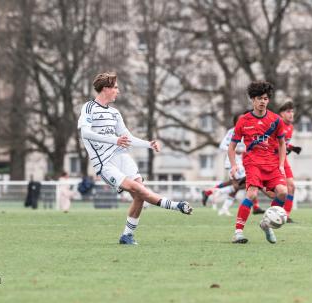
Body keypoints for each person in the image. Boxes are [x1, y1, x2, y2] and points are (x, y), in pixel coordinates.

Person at [77, 72, 193, 245]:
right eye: (115, 87)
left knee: (139, 194)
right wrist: (114, 140)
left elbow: (127, 137)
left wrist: (149, 144)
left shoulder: (115, 113)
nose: (118, 91)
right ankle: (176, 205)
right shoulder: (89, 107)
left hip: (121, 156)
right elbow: (85, 133)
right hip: (105, 163)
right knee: (138, 189)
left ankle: (127, 236)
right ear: (105, 89)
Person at [228, 81, 291, 244]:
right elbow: (232, 146)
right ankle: (238, 232)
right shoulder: (243, 121)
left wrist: (281, 165)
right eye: (259, 98)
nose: (263, 101)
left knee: (283, 192)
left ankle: (266, 223)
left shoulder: (276, 120)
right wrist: (234, 164)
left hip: (271, 163)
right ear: (253, 100)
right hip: (253, 162)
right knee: (252, 194)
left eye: (265, 98)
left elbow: (282, 143)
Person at [202, 113, 265, 216]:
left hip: (244, 162)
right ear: (236, 122)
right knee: (249, 182)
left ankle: (219, 202)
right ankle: (216, 192)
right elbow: (222, 146)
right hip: (234, 162)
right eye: (241, 119)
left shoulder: (249, 131)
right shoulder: (232, 132)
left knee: (237, 185)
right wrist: (235, 151)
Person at [274, 100, 302, 223]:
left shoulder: (290, 127)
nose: (291, 114)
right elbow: (271, 143)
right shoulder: (276, 124)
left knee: (291, 186)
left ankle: (285, 215)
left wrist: (291, 148)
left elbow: (284, 144)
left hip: (283, 159)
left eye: (292, 111)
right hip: (272, 160)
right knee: (275, 191)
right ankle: (273, 213)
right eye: (288, 111)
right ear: (281, 114)